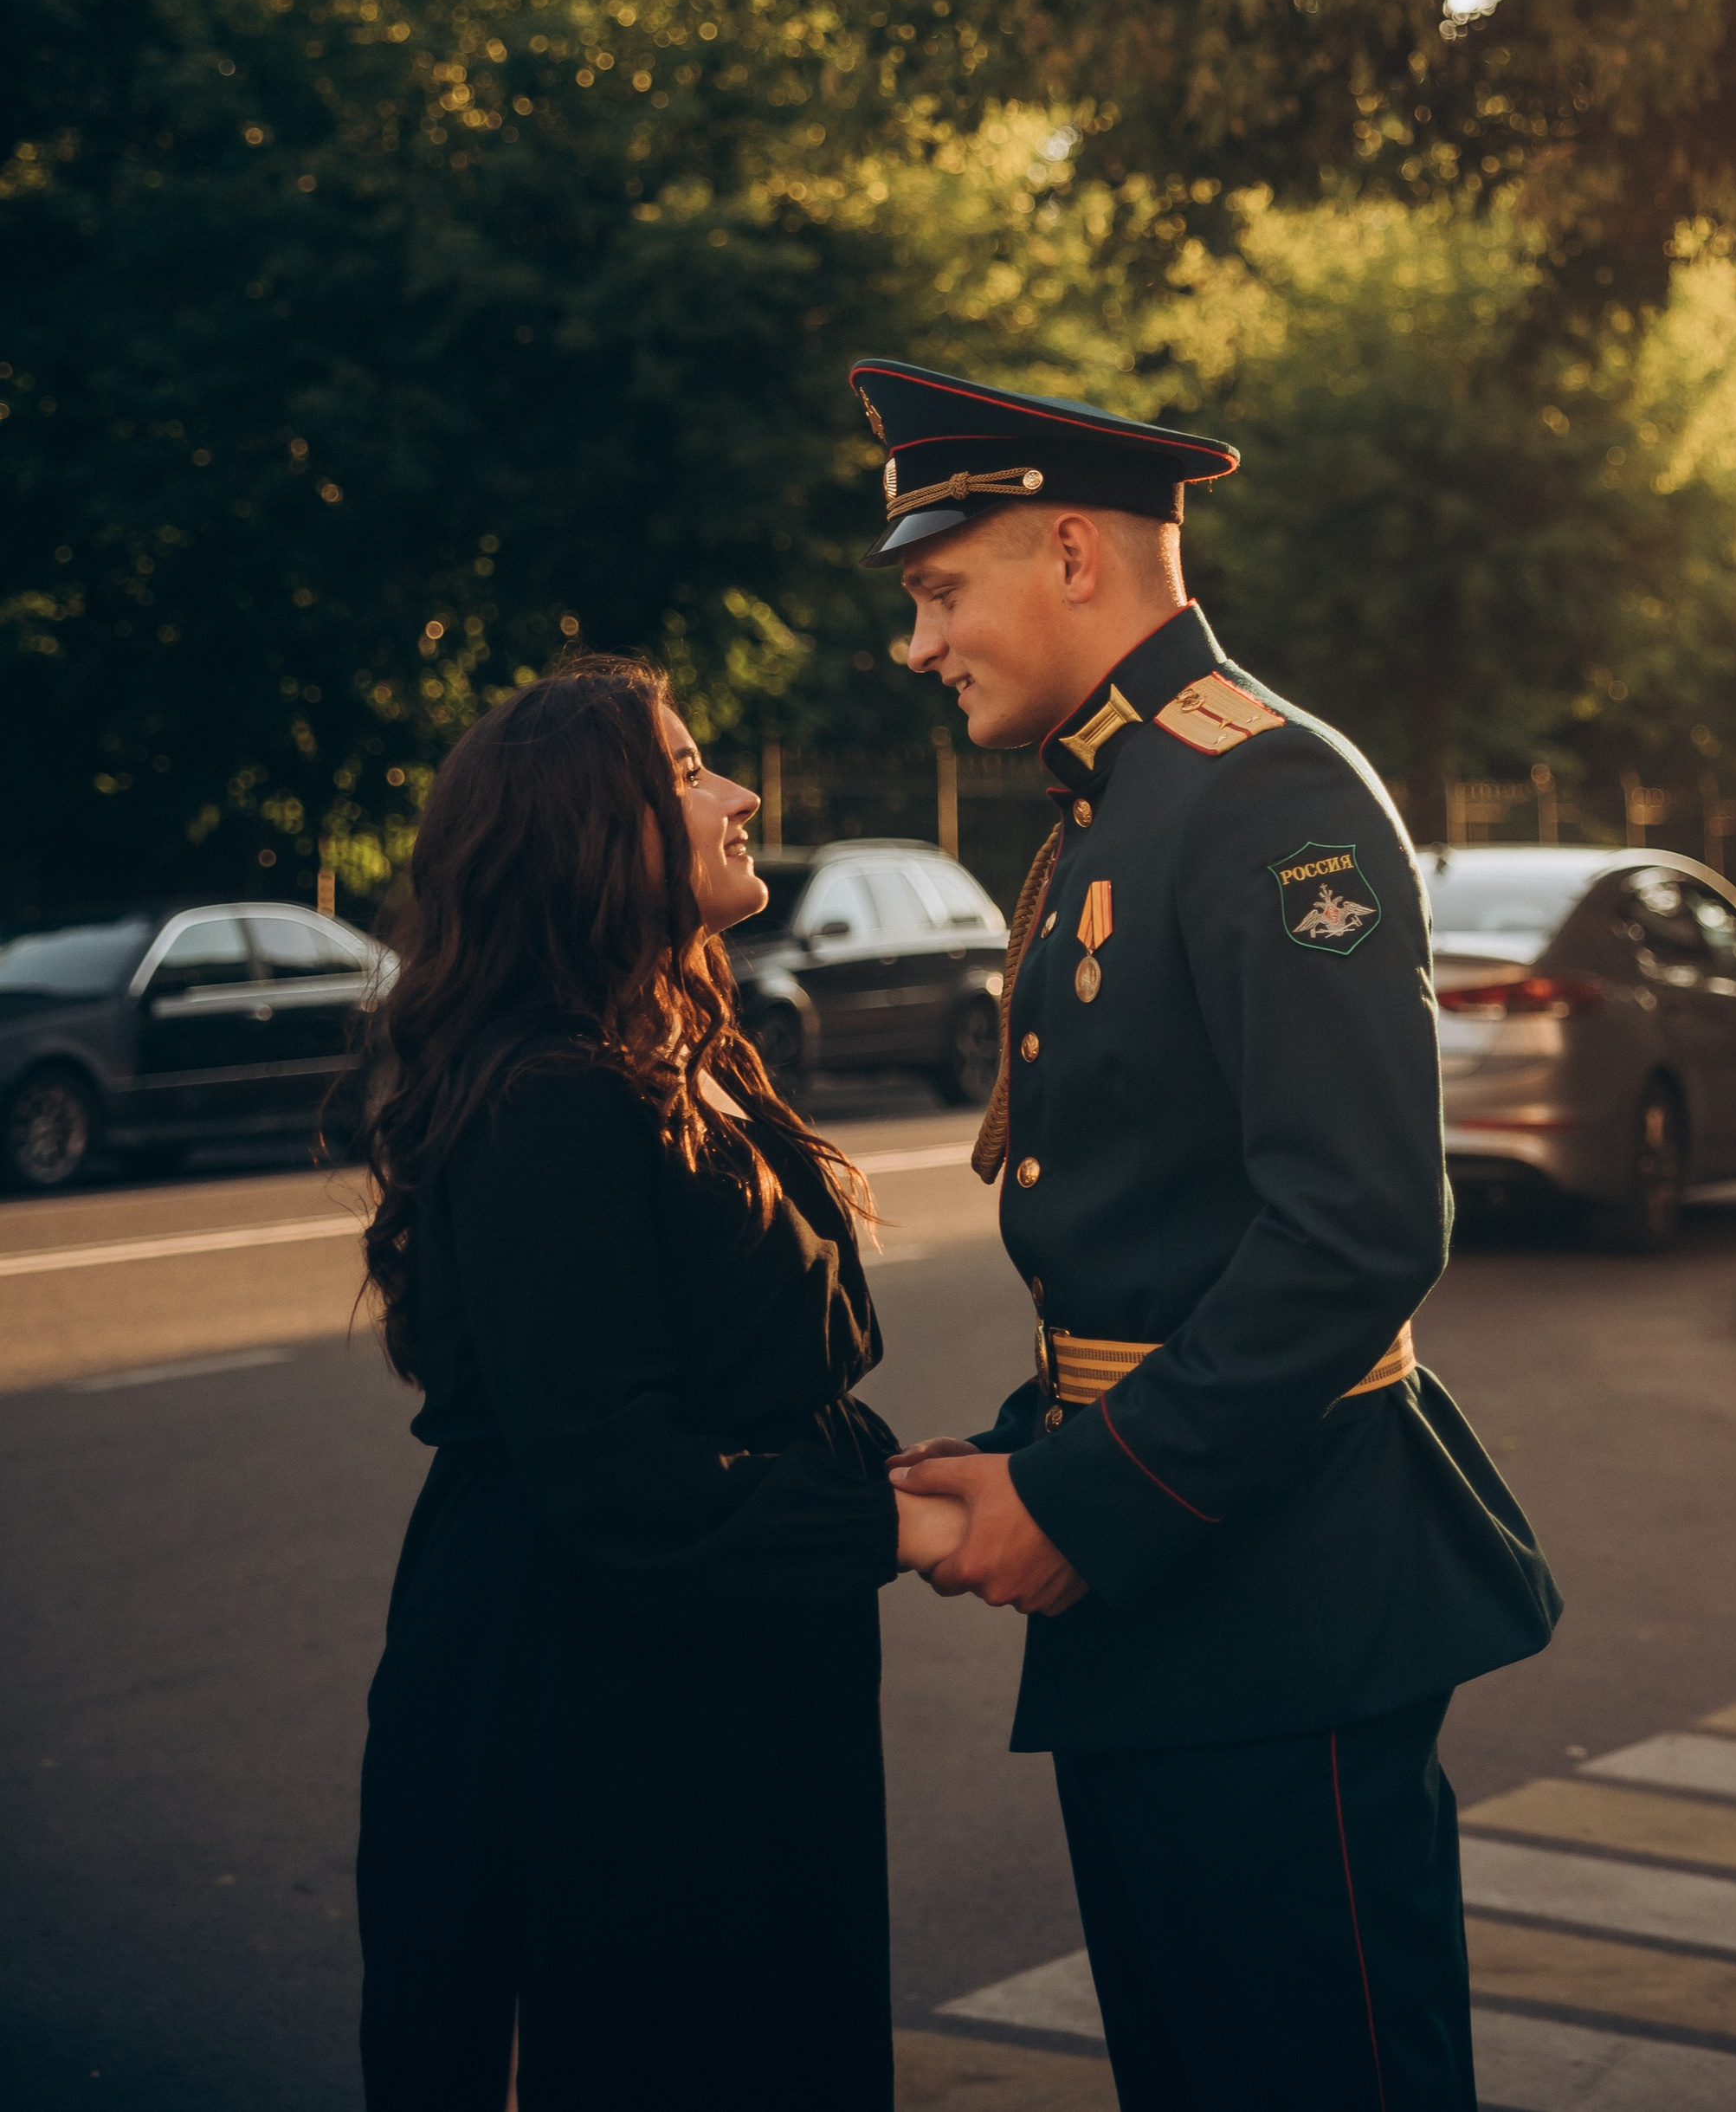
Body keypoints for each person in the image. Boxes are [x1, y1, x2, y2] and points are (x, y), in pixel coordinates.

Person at [855, 361, 1563, 2112]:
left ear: (1071, 553)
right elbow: (1161, 1228)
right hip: (1166, 1580)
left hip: (1275, 1595)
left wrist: (1084, 1500)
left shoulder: (1263, 790)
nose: (917, 643)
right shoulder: (1125, 792)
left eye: (939, 590)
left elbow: (1358, 1227)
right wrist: (1028, 1460)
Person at [353, 654, 962, 2111]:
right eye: (687, 772)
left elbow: (743, 1376)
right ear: (588, 832)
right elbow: (617, 1471)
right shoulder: (550, 1096)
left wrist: (899, 1476)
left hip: (720, 1666)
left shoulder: (673, 1044)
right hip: (600, 1702)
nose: (740, 793)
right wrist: (900, 1525)